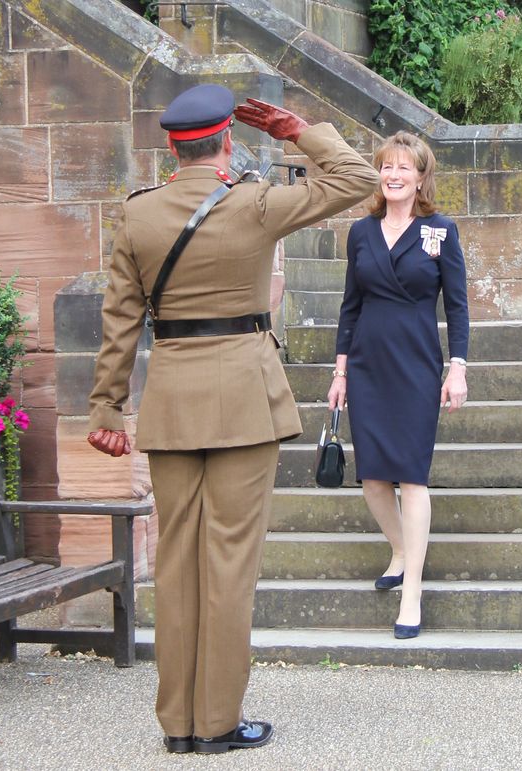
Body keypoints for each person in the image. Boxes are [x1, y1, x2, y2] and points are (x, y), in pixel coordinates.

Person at [87, 83, 379, 754]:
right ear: (226, 141)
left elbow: (120, 321)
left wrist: (106, 407)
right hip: (245, 402)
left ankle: (177, 724)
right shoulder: (253, 203)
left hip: (173, 401)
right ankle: (217, 721)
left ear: (171, 146)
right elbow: (357, 177)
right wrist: (293, 128)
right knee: (228, 565)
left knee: (176, 565)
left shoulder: (139, 215)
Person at [327, 131, 469, 640]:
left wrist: (458, 367)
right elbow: (349, 305)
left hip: (414, 364)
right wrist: (340, 372)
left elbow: (456, 305)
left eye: (404, 168)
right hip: (367, 362)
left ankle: (412, 591)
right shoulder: (361, 232)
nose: (394, 175)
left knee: (411, 477)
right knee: (371, 478)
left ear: (420, 176)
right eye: (386, 167)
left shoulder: (440, 231)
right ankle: (402, 548)